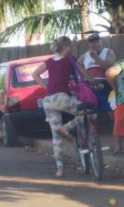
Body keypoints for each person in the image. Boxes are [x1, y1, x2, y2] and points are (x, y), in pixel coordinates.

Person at [32, 36, 96, 178]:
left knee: (56, 138)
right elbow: (84, 75)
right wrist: (95, 82)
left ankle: (59, 169)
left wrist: (46, 87)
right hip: (61, 98)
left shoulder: (49, 61)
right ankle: (67, 127)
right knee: (88, 112)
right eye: (70, 46)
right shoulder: (69, 59)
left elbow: (35, 74)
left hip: (48, 101)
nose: (71, 49)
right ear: (65, 47)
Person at [77, 33, 116, 124]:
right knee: (88, 111)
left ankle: (121, 134)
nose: (95, 44)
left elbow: (109, 65)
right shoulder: (84, 56)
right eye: (92, 42)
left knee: (111, 111)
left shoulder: (108, 52)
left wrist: (96, 57)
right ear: (89, 45)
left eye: (97, 41)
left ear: (101, 42)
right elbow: (78, 66)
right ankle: (93, 134)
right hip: (90, 87)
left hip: (106, 86)